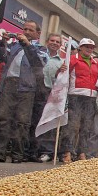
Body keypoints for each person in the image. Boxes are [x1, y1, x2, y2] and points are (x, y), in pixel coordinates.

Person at [0, 21, 48, 163]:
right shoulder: (13, 46)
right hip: (9, 84)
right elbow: (0, 56)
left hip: (27, 87)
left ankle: (18, 154)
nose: (26, 32)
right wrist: (2, 42)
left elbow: (38, 63)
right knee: (2, 118)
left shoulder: (41, 49)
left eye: (30, 30)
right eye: (24, 29)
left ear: (37, 34)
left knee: (22, 121)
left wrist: (27, 45)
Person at [60, 38, 98, 162]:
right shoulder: (73, 59)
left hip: (91, 97)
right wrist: (61, 70)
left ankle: (81, 152)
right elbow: (62, 75)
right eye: (86, 46)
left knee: (87, 127)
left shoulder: (96, 63)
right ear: (80, 47)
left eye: (91, 47)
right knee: (72, 125)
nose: (89, 49)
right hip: (76, 96)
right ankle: (67, 152)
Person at [36, 33, 66, 162]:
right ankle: (31, 150)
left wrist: (60, 72)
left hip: (52, 93)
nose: (54, 43)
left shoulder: (62, 62)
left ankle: (47, 151)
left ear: (60, 45)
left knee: (49, 121)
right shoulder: (38, 54)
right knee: (34, 121)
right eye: (52, 40)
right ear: (47, 41)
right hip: (35, 91)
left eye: (57, 42)